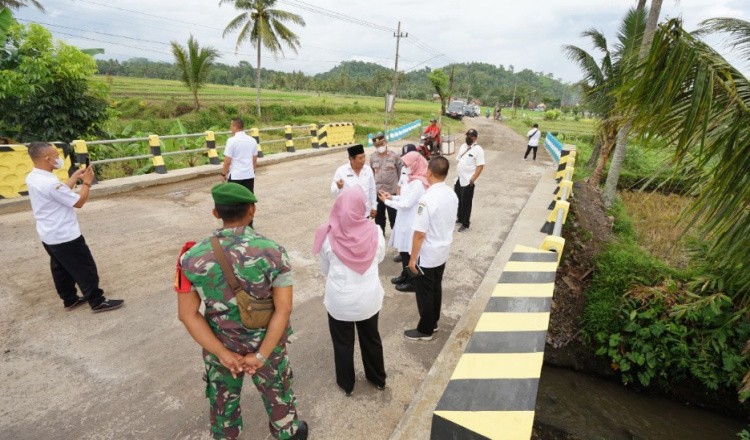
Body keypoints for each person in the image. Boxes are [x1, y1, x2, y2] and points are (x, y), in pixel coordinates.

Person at [179, 183, 308, 440]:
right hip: (267, 346)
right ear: (252, 210)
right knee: (278, 396)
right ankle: (288, 433)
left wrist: (224, 354)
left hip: (220, 345)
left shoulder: (190, 257)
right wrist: (260, 355)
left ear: (216, 213)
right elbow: (283, 309)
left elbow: (187, 314)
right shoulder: (274, 252)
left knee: (223, 407)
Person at [24, 142, 124, 313]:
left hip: (48, 234)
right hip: (65, 234)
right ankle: (97, 300)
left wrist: (74, 178)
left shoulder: (34, 177)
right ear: (47, 159)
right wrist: (86, 183)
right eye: (56, 155)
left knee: (61, 268)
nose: (59, 158)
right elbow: (78, 202)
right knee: (85, 267)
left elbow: (59, 193)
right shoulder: (48, 182)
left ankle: (69, 299)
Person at [313, 186, 387, 397]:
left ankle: (347, 385)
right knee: (371, 339)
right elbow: (379, 257)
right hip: (368, 299)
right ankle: (377, 378)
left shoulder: (327, 235)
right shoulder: (375, 231)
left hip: (340, 301)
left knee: (342, 343)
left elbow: (325, 270)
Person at [404, 157, 458, 341]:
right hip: (442, 249)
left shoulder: (426, 199)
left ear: (428, 172)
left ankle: (425, 329)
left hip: (427, 253)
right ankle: (433, 322)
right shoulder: (452, 194)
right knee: (435, 287)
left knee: (425, 291)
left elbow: (419, 233)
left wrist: (412, 259)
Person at [379, 151, 429, 293]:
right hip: (404, 218)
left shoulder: (419, 183)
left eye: (408, 164)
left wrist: (387, 202)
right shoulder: (411, 179)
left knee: (409, 250)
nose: (405, 167)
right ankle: (406, 275)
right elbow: (403, 198)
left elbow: (407, 204)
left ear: (416, 164)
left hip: (411, 220)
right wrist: (392, 197)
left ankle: (413, 282)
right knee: (403, 250)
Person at [222, 118, 259, 227]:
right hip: (249, 175)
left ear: (234, 126)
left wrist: (223, 174)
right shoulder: (252, 140)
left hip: (236, 176)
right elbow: (254, 160)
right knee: (248, 200)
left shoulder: (231, 141)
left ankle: (235, 223)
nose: (230, 128)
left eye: (231, 126)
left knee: (233, 201)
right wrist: (252, 171)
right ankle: (249, 224)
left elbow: (227, 162)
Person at [331, 144, 377, 218]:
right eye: (360, 158)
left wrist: (374, 206)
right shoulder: (341, 171)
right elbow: (333, 190)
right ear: (352, 159)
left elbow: (372, 189)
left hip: (364, 212)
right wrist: (338, 187)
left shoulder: (368, 170)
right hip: (348, 213)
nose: (363, 160)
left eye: (364, 157)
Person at [370, 133, 401, 235]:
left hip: (392, 192)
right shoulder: (373, 157)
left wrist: (399, 190)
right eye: (377, 145)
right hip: (378, 192)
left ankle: (397, 238)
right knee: (379, 218)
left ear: (386, 142)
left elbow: (400, 173)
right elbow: (373, 173)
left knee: (394, 217)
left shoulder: (395, 156)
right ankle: (380, 238)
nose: (380, 147)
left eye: (381, 144)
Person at [454, 129, 485, 232]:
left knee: (466, 203)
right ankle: (460, 218)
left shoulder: (478, 150)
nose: (468, 138)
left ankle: (465, 223)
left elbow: (480, 166)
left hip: (468, 181)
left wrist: (473, 179)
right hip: (459, 178)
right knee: (458, 200)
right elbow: (459, 159)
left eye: (470, 136)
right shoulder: (463, 146)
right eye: (467, 135)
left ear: (475, 138)